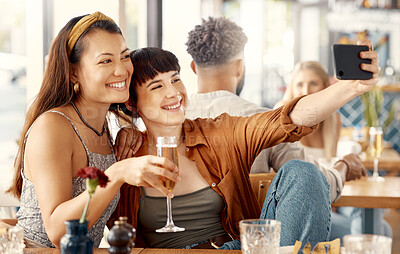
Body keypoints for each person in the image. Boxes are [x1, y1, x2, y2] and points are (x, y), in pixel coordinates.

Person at [109, 45, 379, 249]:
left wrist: (350, 87)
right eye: (157, 86)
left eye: (176, 79)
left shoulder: (218, 133)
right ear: (132, 103)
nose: (173, 93)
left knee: (303, 173)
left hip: (232, 249)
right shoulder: (124, 157)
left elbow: (286, 119)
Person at [7, 12, 179, 248]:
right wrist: (116, 173)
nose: (122, 70)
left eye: (124, 57)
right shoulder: (53, 126)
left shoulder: (107, 127)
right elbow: (59, 232)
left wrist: (131, 132)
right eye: (105, 61)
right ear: (73, 71)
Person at [184, 17, 366, 204]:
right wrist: (343, 167)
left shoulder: (167, 122)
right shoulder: (266, 122)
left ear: (193, 68)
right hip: (251, 232)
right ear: (239, 66)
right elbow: (317, 185)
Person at [275, 61, 392, 241]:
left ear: (325, 87)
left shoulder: (332, 121)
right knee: (380, 231)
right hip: (304, 208)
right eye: (299, 84)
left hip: (332, 192)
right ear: (291, 88)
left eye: (313, 83)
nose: (306, 90)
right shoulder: (284, 120)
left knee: (373, 215)